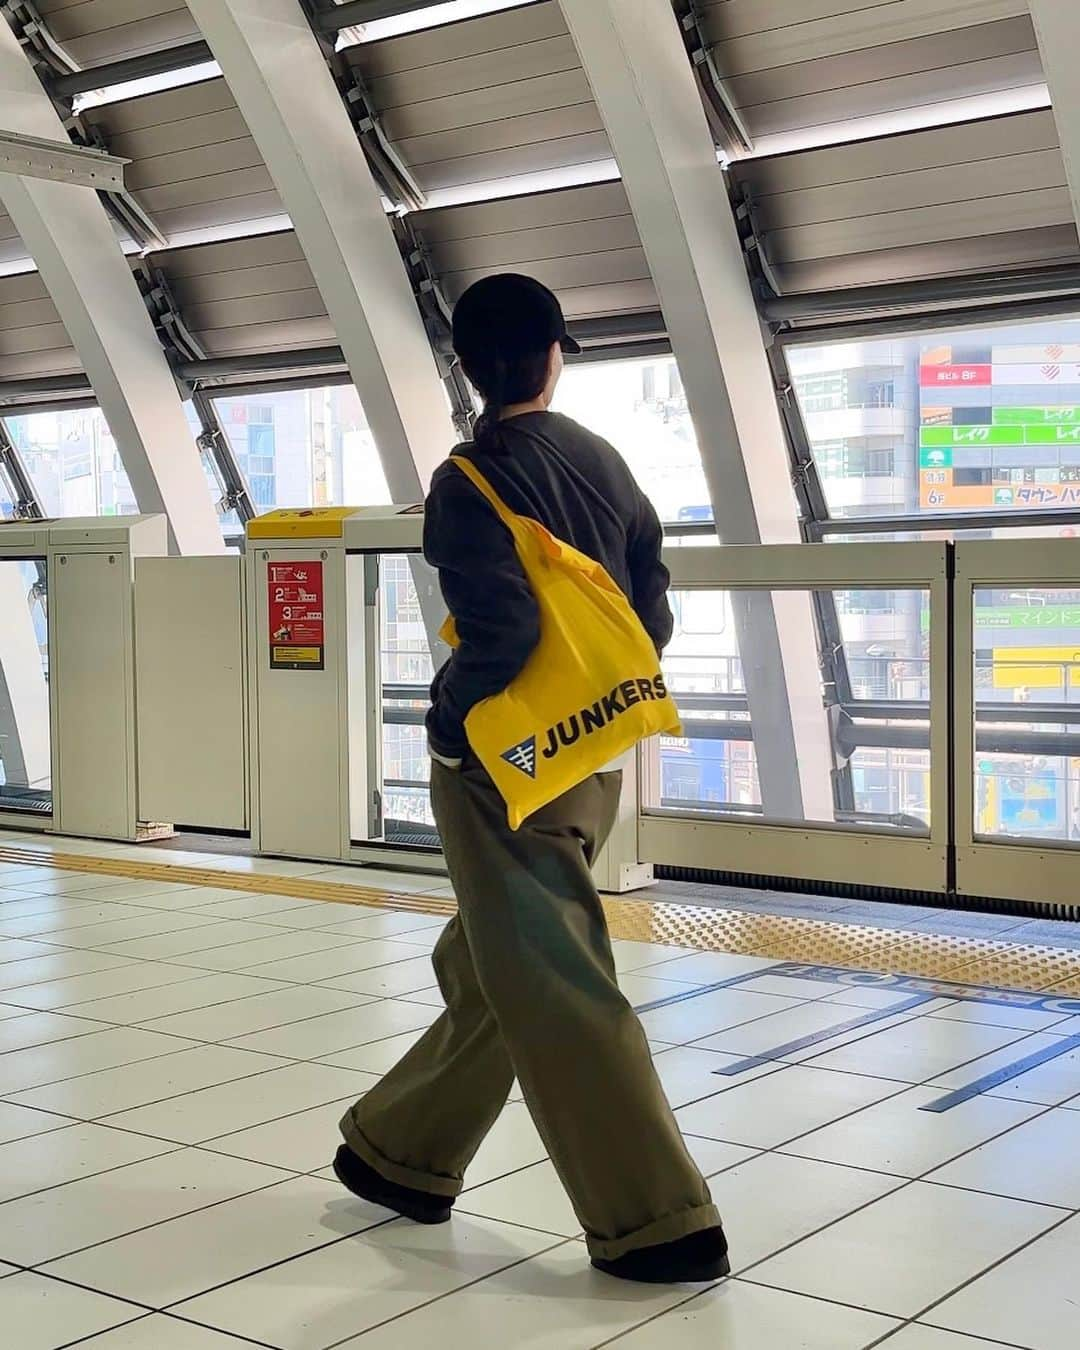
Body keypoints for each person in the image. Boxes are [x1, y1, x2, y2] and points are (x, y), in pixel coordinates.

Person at [334, 273, 728, 1284]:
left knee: (549, 975)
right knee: (494, 961)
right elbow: (653, 603)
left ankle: (659, 1220)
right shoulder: (603, 459)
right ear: (555, 357)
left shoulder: (470, 479)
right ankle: (400, 1155)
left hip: (508, 767)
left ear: (469, 366)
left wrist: (453, 721)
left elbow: (499, 637)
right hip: (597, 751)